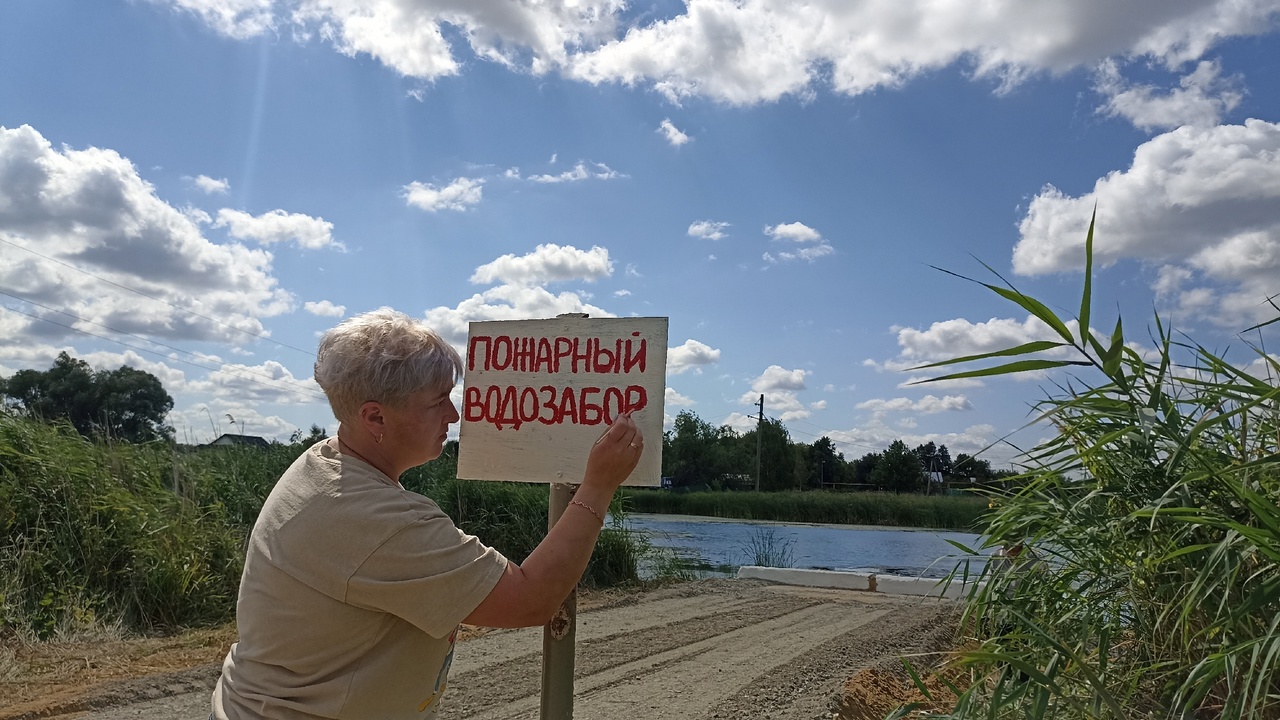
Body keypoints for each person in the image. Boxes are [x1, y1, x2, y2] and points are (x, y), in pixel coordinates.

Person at [210, 308, 644, 720]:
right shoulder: (375, 518)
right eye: (438, 401)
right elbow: (530, 600)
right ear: (375, 417)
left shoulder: (325, 464)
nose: (455, 415)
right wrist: (598, 487)